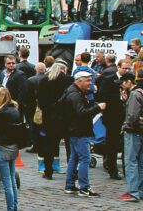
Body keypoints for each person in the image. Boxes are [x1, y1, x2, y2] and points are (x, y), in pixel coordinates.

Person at [62, 66, 105, 197]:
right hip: (79, 131)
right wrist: (97, 107)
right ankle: (84, 187)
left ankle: (70, 185)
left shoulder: (74, 92)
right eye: (88, 81)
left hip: (74, 130)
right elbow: (81, 113)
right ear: (79, 81)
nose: (90, 84)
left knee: (74, 158)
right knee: (84, 158)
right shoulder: (76, 95)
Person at [0, 88, 23, 211]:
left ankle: (10, 207)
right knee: (12, 179)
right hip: (13, 146)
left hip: (3, 146)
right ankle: (14, 206)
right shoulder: (15, 110)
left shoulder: (0, 112)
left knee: (7, 181)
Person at [37, 61, 73, 179]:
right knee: (70, 146)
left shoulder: (44, 81)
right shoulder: (69, 80)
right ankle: (72, 171)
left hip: (49, 117)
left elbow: (40, 101)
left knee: (50, 145)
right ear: (63, 70)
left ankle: (48, 171)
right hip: (66, 116)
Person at [119, 72, 143, 202]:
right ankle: (142, 191)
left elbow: (132, 116)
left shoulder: (134, 94)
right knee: (142, 162)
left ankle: (133, 192)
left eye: (123, 83)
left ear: (128, 82)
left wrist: (124, 126)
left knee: (130, 161)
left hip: (133, 131)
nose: (122, 86)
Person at [95, 53, 123, 179]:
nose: (127, 70)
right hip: (112, 116)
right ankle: (112, 168)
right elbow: (101, 94)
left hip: (123, 116)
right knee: (112, 142)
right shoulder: (109, 78)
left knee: (121, 144)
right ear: (118, 66)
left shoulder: (130, 79)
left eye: (129, 68)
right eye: (125, 68)